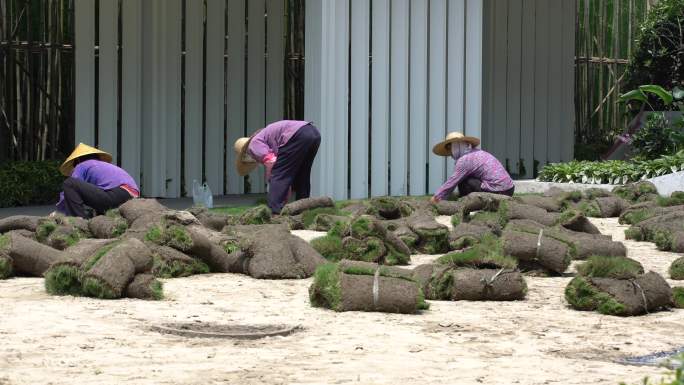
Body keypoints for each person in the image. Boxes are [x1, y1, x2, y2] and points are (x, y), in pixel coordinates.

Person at [234, 120, 321, 214]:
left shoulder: (253, 146)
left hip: (297, 134)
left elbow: (272, 163)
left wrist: (273, 183)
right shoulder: (264, 139)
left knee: (277, 173)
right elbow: (286, 171)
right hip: (313, 133)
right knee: (302, 174)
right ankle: (303, 210)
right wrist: (284, 188)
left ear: (245, 154)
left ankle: (274, 212)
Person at [55, 143, 139, 218]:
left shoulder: (82, 165)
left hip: (117, 194)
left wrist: (59, 212)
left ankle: (78, 221)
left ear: (78, 160)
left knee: (69, 183)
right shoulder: (102, 166)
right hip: (132, 195)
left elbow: (71, 187)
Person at [430, 132, 514, 203]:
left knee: (463, 181)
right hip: (509, 189)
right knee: (466, 177)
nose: (450, 154)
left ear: (456, 147)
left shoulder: (464, 160)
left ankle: (465, 202)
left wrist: (437, 197)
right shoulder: (476, 152)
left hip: (499, 191)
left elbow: (452, 182)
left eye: (450, 149)